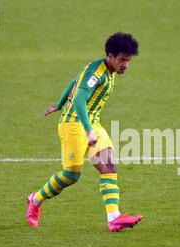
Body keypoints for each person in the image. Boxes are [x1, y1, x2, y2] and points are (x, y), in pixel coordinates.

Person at [26, 32, 142, 232]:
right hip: (74, 124)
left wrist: (60, 103)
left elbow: (74, 81)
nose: (126, 65)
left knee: (108, 164)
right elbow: (79, 98)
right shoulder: (97, 74)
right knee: (71, 175)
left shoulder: (106, 70)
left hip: (91, 122)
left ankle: (114, 219)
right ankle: (35, 200)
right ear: (110, 56)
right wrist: (88, 131)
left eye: (129, 61)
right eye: (122, 60)